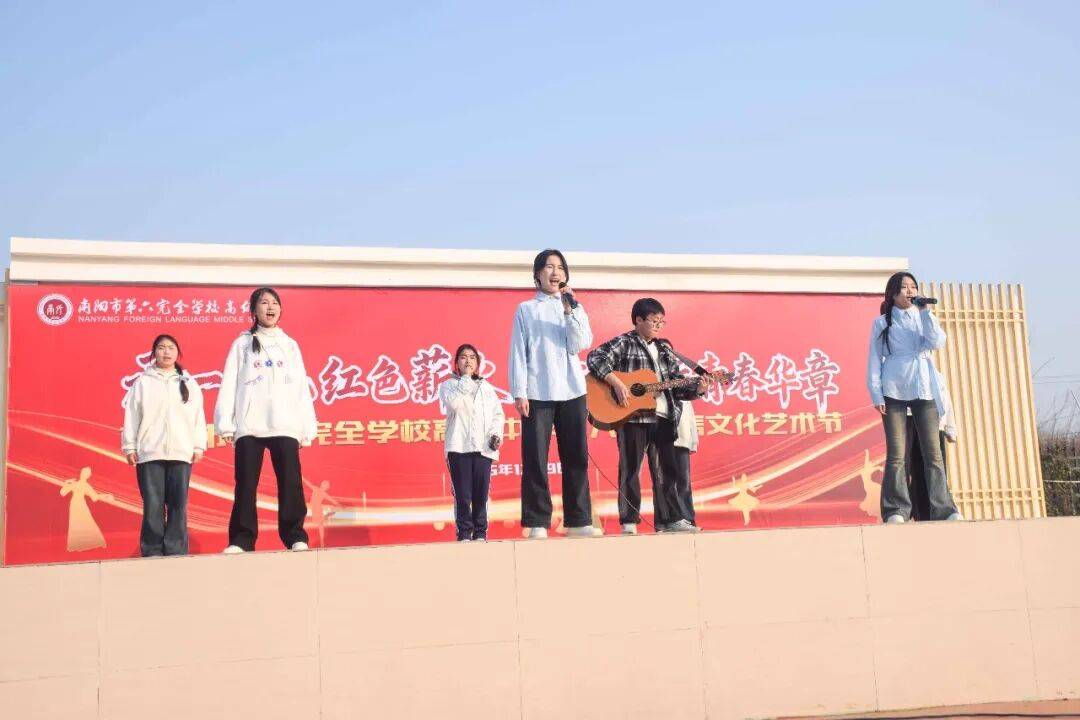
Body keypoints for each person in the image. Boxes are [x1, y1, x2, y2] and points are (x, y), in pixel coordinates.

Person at [586, 298, 716, 534]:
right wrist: (616, 383)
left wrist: (698, 389)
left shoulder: (665, 350)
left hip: (664, 417)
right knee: (630, 470)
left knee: (667, 472)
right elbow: (595, 358)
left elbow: (677, 385)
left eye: (661, 322)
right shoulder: (625, 342)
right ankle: (629, 521)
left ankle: (670, 520)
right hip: (633, 416)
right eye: (654, 321)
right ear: (638, 320)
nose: (658, 326)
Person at [215, 287, 319, 553]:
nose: (270, 307)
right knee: (246, 484)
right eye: (264, 303)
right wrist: (225, 422)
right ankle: (241, 539)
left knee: (291, 482)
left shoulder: (289, 344)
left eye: (275, 303)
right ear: (254, 310)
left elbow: (300, 386)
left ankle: (295, 536)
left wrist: (306, 427)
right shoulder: (241, 344)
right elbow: (229, 383)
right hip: (250, 425)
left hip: (284, 423)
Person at [508, 249, 597, 539]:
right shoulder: (526, 309)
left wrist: (570, 311)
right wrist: (519, 391)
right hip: (538, 391)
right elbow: (518, 352)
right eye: (548, 267)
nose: (555, 272)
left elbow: (579, 343)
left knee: (576, 456)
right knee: (535, 457)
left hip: (572, 390)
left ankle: (578, 520)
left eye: (560, 267)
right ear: (537, 274)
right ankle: (537, 521)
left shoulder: (574, 307)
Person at [866, 272, 962, 523]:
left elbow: (937, 341)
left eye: (913, 287)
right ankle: (895, 510)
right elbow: (874, 359)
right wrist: (876, 394)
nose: (910, 291)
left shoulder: (923, 317)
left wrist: (926, 313)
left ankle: (944, 509)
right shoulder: (882, 323)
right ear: (893, 293)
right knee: (897, 454)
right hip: (894, 390)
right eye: (904, 287)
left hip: (924, 388)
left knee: (933, 453)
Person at [122, 334, 206, 556]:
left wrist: (198, 446)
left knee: (178, 505)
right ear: (154, 353)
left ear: (178, 353)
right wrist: (130, 446)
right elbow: (132, 415)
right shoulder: (143, 382)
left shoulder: (189, 383)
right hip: (150, 453)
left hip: (181, 452)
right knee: (153, 504)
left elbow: (198, 416)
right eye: (161, 348)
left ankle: (176, 550)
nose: (166, 352)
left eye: (171, 348)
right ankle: (152, 550)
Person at [439, 343, 505, 542]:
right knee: (462, 495)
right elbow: (455, 405)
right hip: (459, 447)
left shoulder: (486, 388)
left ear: (477, 363)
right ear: (456, 363)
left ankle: (480, 532)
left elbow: (497, 414)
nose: (468, 361)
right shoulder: (449, 386)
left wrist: (495, 434)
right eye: (463, 357)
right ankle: (464, 533)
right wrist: (466, 378)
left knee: (481, 494)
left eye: (472, 357)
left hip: (483, 449)